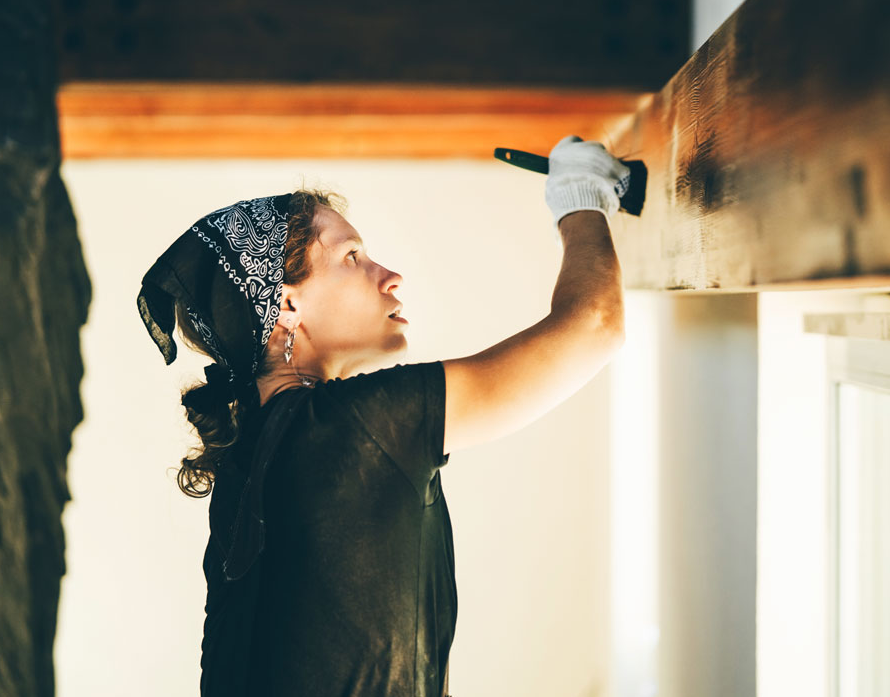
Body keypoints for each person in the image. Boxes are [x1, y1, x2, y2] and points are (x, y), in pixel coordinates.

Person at [136, 135, 630, 697]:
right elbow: (595, 324)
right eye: (353, 258)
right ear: (286, 305)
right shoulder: (346, 427)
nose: (389, 276)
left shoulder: (253, 459)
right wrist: (580, 195)